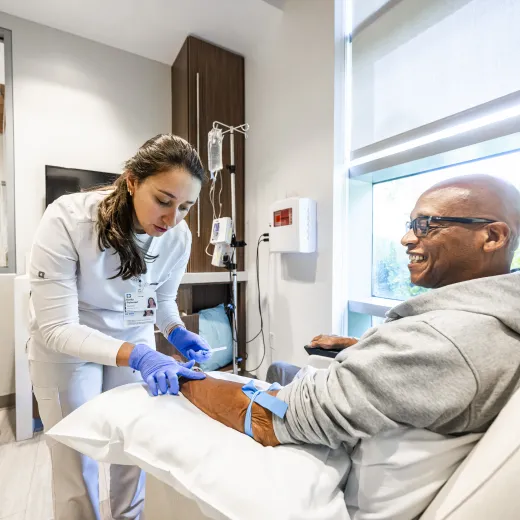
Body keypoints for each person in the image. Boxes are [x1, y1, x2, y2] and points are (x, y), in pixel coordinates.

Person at [178, 174, 520, 518]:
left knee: (263, 382)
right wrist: (356, 345)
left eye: (426, 225)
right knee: (280, 369)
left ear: (492, 236)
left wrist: (181, 379)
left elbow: (274, 418)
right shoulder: (495, 317)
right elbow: (423, 367)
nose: (406, 238)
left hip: (319, 435)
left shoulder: (442, 341)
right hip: (367, 407)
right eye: (410, 224)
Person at [29, 134, 213, 520]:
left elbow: (160, 299)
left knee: (133, 445)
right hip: (67, 346)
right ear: (131, 181)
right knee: (76, 459)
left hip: (132, 336)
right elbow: (57, 327)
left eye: (186, 207)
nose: (172, 218)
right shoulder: (67, 219)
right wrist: (141, 355)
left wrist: (176, 330)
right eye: (164, 200)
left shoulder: (177, 237)